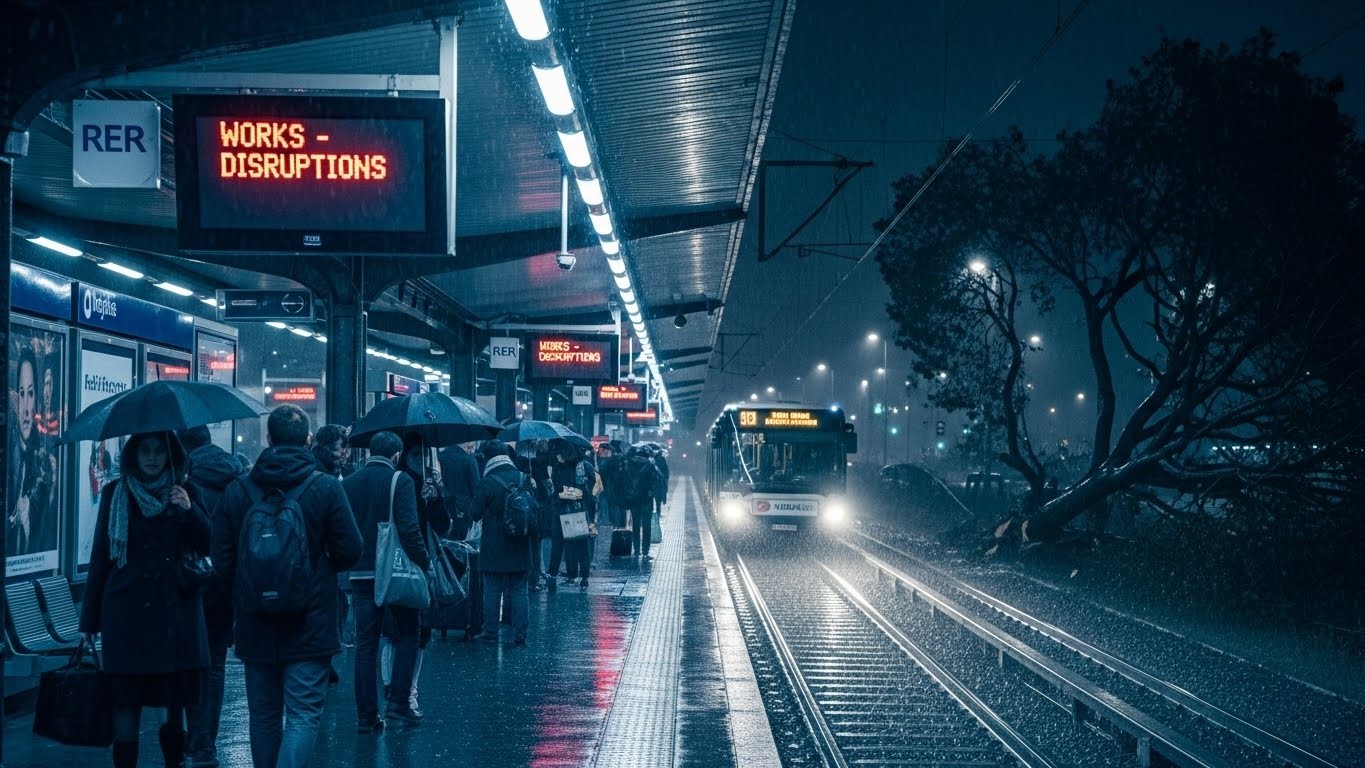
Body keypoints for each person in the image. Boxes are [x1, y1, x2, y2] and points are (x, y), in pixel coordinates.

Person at [211, 405, 362, 768]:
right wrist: (318, 565)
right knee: (302, 715)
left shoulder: (239, 490)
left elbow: (222, 559)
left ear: (269, 438)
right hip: (311, 620)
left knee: (263, 716)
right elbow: (350, 549)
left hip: (255, 622)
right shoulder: (325, 487)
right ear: (308, 440)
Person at [80, 432, 210, 768]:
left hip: (174, 614)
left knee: (174, 704)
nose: (152, 458)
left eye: (158, 451)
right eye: (145, 451)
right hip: (127, 616)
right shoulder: (116, 493)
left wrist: (189, 511)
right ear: (133, 456)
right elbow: (101, 557)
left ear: (170, 456)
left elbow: (210, 543)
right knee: (126, 703)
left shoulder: (184, 492)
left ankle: (174, 761)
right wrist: (90, 620)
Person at [342, 430, 429, 732]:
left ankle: (366, 716)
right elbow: (409, 529)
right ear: (396, 455)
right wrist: (424, 563)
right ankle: (398, 704)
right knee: (408, 633)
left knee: (366, 644)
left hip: (360, 572)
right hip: (394, 571)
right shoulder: (399, 480)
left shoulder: (348, 482)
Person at [178, 425, 247, 768]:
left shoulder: (184, 482)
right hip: (223, 583)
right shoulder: (236, 478)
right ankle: (206, 742)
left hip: (188, 583)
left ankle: (193, 737)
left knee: (188, 664)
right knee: (215, 665)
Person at [472, 440, 531, 645]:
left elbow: (475, 513)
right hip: (520, 542)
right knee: (519, 590)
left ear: (487, 457)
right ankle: (520, 634)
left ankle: (490, 631)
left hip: (494, 544)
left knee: (492, 589)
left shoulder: (486, 481)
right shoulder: (523, 477)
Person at [312, 423, 352, 685]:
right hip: (322, 556)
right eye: (340, 448)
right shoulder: (324, 477)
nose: (343, 454)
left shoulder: (333, 473)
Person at [8, 349, 54, 556]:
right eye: (22, 393)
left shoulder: (42, 463)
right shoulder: (10, 460)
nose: (26, 408)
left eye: (31, 393)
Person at [622, 447, 664, 561]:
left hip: (633, 500)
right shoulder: (650, 465)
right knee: (646, 526)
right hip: (646, 500)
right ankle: (645, 551)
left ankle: (636, 550)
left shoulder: (628, 464)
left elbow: (624, 482)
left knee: (635, 525)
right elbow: (657, 480)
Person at [437, 442, 479, 540]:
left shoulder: (439, 457)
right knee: (461, 541)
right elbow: (476, 488)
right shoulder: (469, 459)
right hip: (464, 508)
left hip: (443, 506)